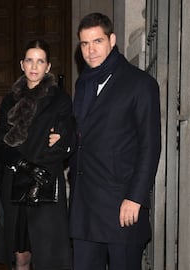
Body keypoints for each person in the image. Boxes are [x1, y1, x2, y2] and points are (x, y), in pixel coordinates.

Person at [68, 13, 161, 270]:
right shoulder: (83, 84)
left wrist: (135, 197)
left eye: (97, 41)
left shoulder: (141, 84)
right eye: (84, 44)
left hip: (121, 207)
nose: (90, 50)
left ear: (112, 39)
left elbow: (150, 146)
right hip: (85, 208)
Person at [0, 39, 73, 270]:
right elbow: (3, 145)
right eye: (29, 60)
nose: (34, 66)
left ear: (48, 67)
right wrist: (24, 165)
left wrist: (58, 143)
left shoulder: (59, 99)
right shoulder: (10, 100)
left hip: (45, 181)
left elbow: (63, 139)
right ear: (22, 64)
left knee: (47, 256)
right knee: (20, 256)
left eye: (40, 61)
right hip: (16, 181)